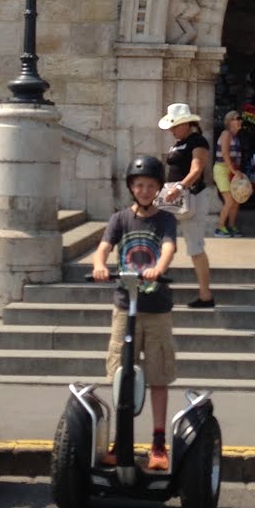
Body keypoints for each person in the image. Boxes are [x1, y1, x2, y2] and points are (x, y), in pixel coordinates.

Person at [91, 154, 178, 471]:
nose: (144, 190)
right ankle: (120, 440)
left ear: (157, 189)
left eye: (150, 185)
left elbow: (168, 246)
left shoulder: (165, 220)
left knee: (158, 376)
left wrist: (158, 268)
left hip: (156, 308)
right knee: (120, 375)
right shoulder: (119, 219)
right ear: (131, 187)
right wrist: (100, 265)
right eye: (139, 185)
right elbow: (104, 247)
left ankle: (158, 443)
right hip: (124, 306)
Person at [158, 102, 215, 308]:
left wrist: (180, 188)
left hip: (190, 196)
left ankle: (205, 295)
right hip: (173, 195)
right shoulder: (178, 142)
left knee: (195, 246)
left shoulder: (197, 141)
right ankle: (154, 284)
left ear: (186, 124)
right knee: (159, 239)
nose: (172, 130)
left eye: (175, 126)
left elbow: (197, 168)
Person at [212, 109, 245, 237]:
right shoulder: (226, 134)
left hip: (232, 169)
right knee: (229, 200)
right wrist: (234, 171)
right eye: (237, 118)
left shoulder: (235, 137)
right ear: (230, 121)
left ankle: (231, 226)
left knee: (236, 199)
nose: (240, 121)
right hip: (222, 169)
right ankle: (220, 227)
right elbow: (225, 154)